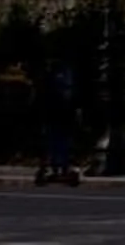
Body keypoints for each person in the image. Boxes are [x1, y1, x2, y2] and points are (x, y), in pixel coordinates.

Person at [35, 58, 79, 187]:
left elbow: (44, 96)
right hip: (62, 114)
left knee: (55, 141)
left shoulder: (52, 76)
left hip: (55, 114)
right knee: (61, 142)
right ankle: (61, 168)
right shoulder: (66, 76)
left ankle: (56, 168)